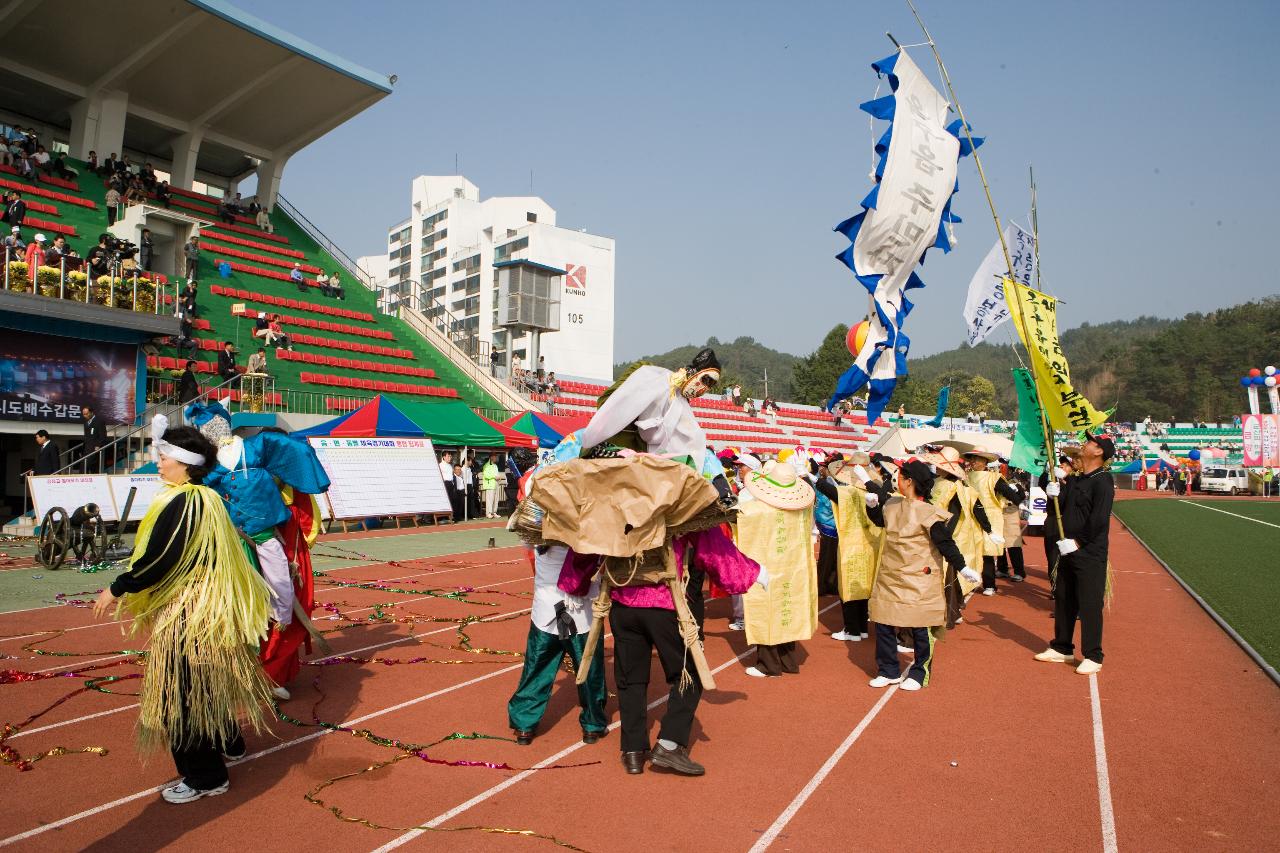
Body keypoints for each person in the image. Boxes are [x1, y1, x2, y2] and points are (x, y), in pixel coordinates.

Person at [92, 420, 274, 804]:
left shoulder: (183, 502)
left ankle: (205, 777)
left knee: (182, 695)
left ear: (184, 463)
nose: (158, 463)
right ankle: (231, 742)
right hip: (208, 610)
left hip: (187, 614)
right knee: (208, 682)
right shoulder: (205, 497)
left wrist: (117, 587)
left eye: (163, 458)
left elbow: (159, 560)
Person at [547, 456, 760, 776]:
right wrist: (754, 574)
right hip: (664, 604)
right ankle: (670, 745)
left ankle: (632, 750)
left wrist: (572, 584)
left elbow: (586, 547)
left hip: (623, 606)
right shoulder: (676, 503)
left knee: (631, 679)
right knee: (689, 673)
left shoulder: (610, 506)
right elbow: (712, 548)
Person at [187, 404, 331, 698]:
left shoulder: (258, 450)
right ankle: (234, 670)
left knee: (280, 597)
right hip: (230, 544)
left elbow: (295, 455)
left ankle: (270, 669)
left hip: (272, 539)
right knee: (231, 605)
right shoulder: (210, 467)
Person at [866, 458, 978, 690]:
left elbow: (945, 543)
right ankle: (888, 670)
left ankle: (919, 672)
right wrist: (872, 506)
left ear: (909, 481)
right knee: (884, 622)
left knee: (920, 626)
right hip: (891, 575)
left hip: (919, 578)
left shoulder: (929, 513)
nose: (896, 478)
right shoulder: (893, 504)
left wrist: (963, 567)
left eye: (900, 475)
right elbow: (879, 521)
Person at [508, 536, 607, 746]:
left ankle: (524, 724)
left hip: (548, 606)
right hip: (579, 610)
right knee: (588, 667)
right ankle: (592, 724)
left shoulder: (539, 518)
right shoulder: (585, 519)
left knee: (537, 665)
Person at [1035, 432, 1116, 675]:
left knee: (1089, 604)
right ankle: (1062, 647)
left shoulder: (1103, 481)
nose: (1085, 444)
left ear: (1099, 451)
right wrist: (1054, 491)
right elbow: (1062, 508)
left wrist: (1078, 542)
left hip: (1089, 552)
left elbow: (1099, 520)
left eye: (1091, 442)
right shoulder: (1079, 480)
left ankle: (1093, 654)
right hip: (1066, 549)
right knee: (1064, 598)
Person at [737, 460, 816, 677]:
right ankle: (788, 661)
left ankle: (768, 665)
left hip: (767, 567)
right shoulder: (802, 510)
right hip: (792, 567)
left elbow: (736, 520)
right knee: (787, 609)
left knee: (767, 609)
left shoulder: (755, 510)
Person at [578, 347, 720, 462]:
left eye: (710, 386)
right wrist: (653, 391)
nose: (704, 388)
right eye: (706, 380)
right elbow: (606, 403)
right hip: (608, 447)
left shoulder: (681, 402)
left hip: (642, 459)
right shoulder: (646, 371)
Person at [813, 452, 885, 642]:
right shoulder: (876, 491)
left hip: (852, 545)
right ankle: (862, 628)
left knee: (850, 587)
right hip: (870, 546)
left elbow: (823, 487)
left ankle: (852, 630)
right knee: (864, 587)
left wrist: (818, 476)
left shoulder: (848, 492)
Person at [962, 449, 1019, 594]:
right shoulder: (965, 476)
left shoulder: (993, 478)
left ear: (985, 461)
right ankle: (969, 583)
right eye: (972, 459)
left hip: (990, 517)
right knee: (970, 549)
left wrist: (1017, 498)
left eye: (977, 459)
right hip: (970, 516)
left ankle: (989, 585)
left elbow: (1012, 495)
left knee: (987, 552)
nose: (973, 461)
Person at [81, 404, 107, 472]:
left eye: (86, 414)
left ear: (92, 412)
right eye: (83, 414)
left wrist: (98, 445)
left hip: (94, 449)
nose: (85, 416)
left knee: (90, 468)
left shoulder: (99, 421)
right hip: (86, 449)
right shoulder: (86, 422)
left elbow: (103, 436)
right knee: (83, 468)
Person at [438, 451, 457, 521]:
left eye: (450, 456)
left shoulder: (450, 465)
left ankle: (448, 517)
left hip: (451, 484)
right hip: (444, 484)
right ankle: (441, 518)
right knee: (444, 501)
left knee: (451, 501)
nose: (450, 458)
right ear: (444, 457)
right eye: (448, 456)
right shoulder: (440, 465)